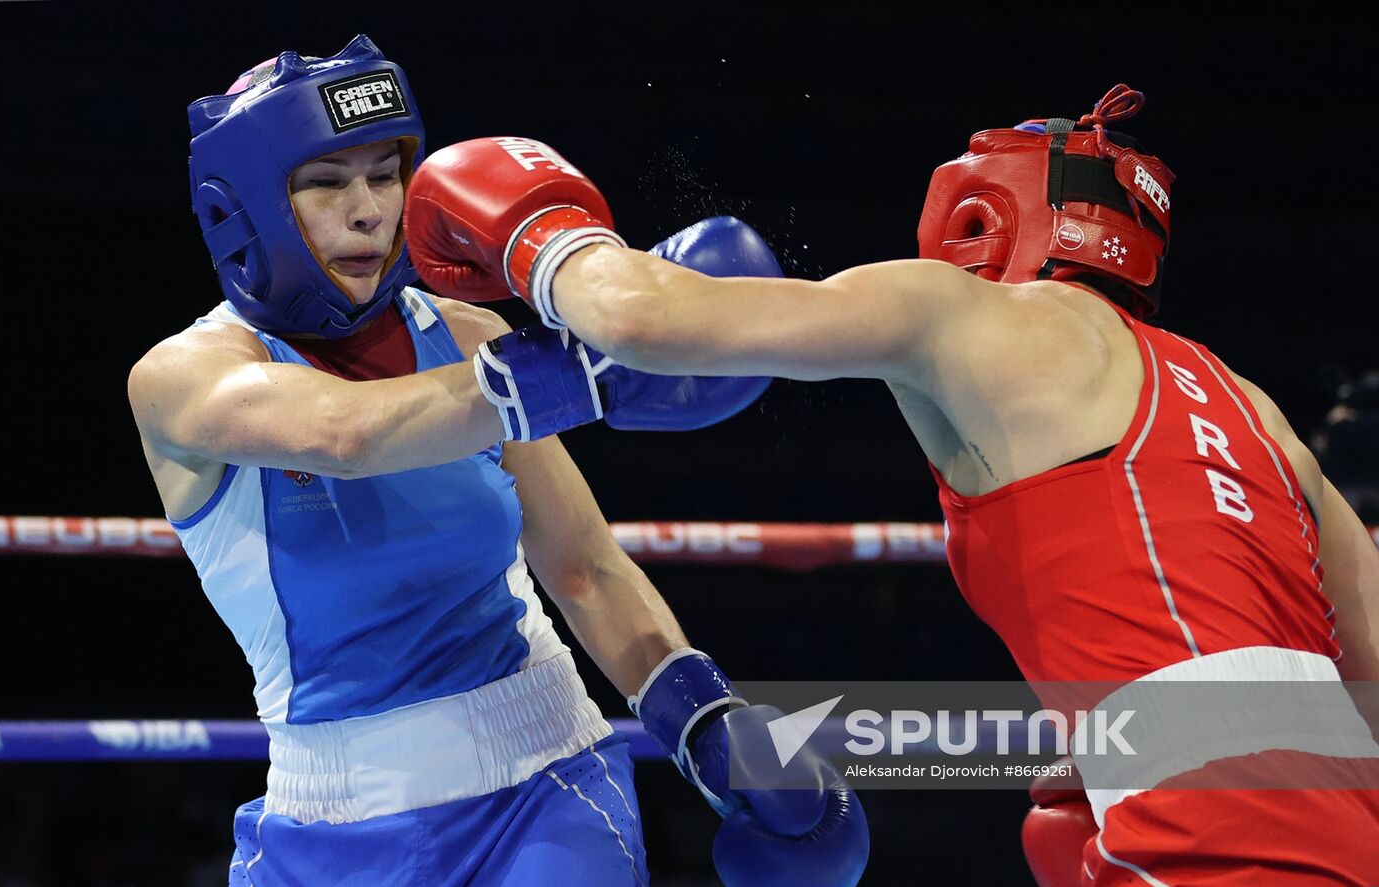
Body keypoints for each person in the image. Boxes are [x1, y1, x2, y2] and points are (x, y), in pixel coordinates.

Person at [405, 84, 1379, 884]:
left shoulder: (968, 312)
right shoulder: (1251, 408)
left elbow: (639, 317)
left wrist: (541, 231)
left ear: (973, 216)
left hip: (1208, 845)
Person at [127, 36, 867, 887]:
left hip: (543, 786)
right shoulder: (184, 379)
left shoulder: (470, 339)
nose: (368, 208)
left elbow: (584, 567)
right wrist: (590, 369)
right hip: (318, 821)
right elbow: (348, 434)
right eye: (327, 182)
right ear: (250, 207)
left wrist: (699, 714)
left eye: (384, 173)